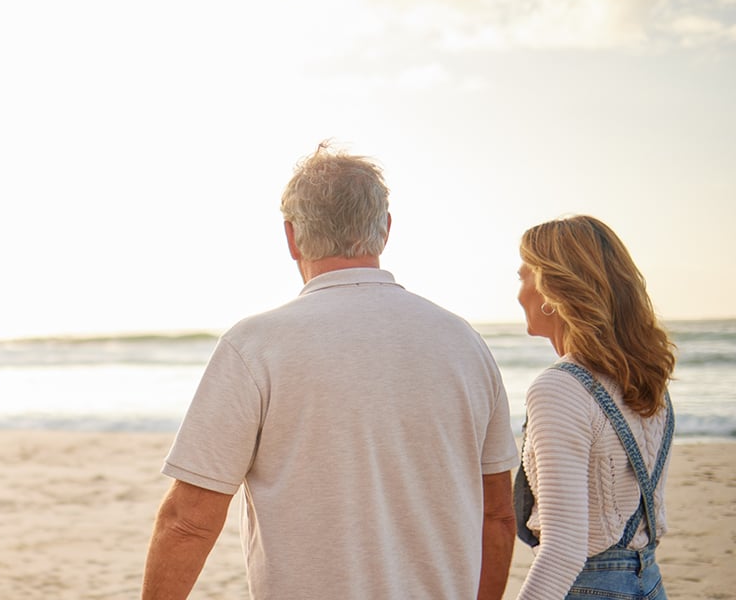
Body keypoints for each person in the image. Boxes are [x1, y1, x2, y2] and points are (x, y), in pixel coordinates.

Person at [141, 142, 519, 599]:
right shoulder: (465, 344)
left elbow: (188, 520)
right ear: (386, 231)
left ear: (291, 237)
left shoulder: (255, 346)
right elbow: (498, 515)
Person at [513, 215, 675, 599]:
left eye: (522, 276)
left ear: (552, 291)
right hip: (647, 582)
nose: (518, 292)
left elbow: (564, 549)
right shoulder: (648, 380)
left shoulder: (559, 387)